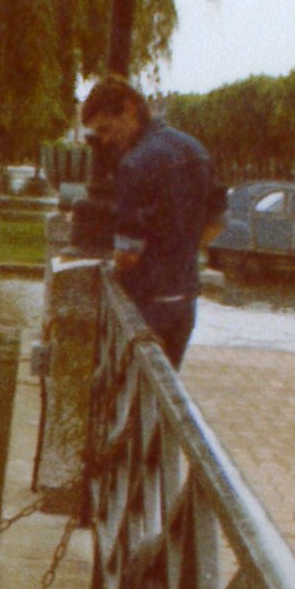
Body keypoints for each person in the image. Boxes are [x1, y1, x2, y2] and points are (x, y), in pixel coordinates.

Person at [79, 75, 222, 369]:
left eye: (106, 129)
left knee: (133, 394)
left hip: (148, 303)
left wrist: (116, 266)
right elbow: (218, 220)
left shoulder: (136, 164)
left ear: (129, 109)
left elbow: (128, 253)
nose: (104, 140)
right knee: (164, 388)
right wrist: (186, 250)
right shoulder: (195, 149)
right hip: (184, 300)